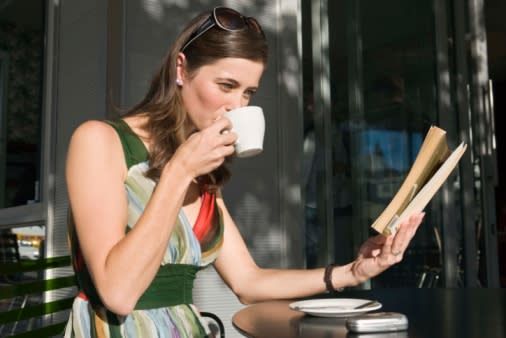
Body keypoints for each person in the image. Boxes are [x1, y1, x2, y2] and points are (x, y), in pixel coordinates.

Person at [63, 6, 425, 338]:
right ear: (181, 69)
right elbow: (118, 293)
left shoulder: (199, 172)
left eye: (248, 93)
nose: (236, 106)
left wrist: (351, 273)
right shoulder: (100, 142)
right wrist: (179, 172)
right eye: (226, 86)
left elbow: (247, 281)